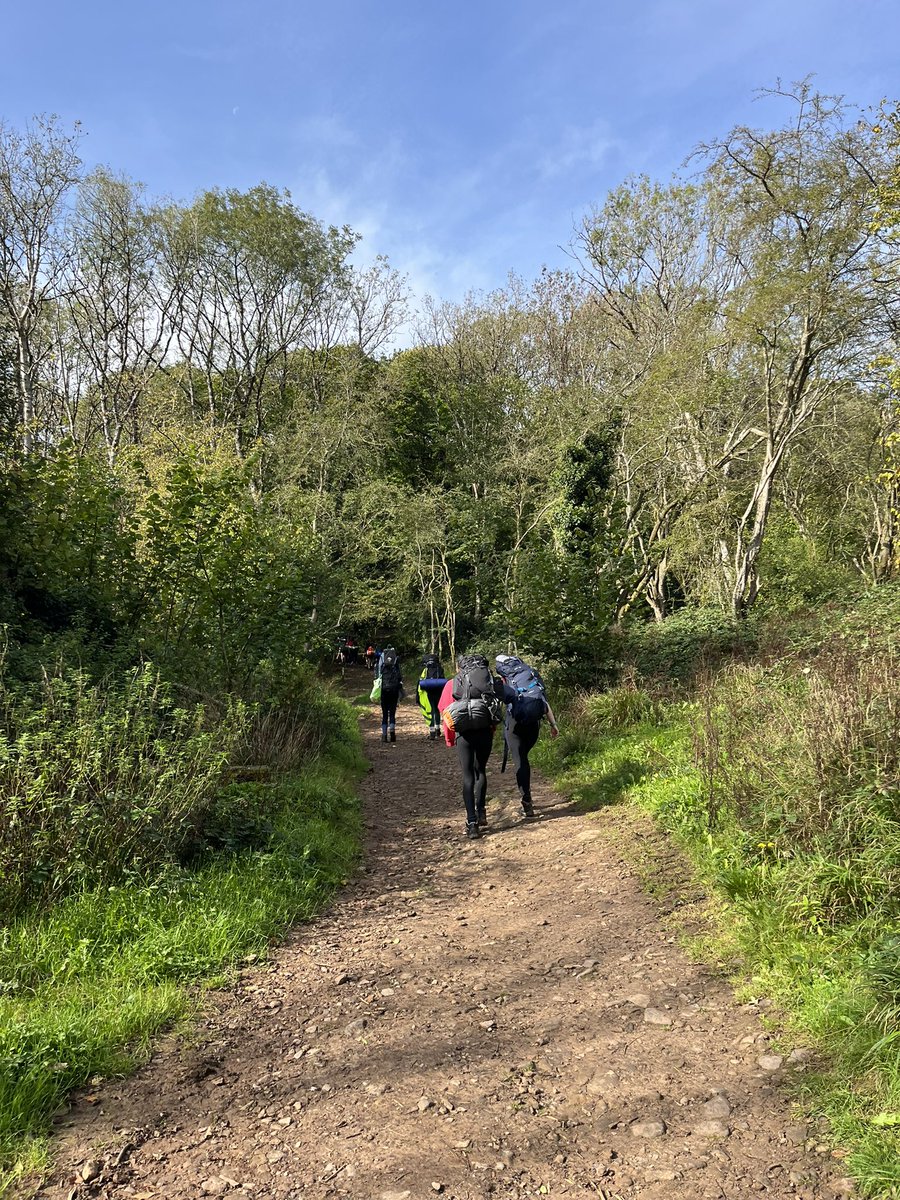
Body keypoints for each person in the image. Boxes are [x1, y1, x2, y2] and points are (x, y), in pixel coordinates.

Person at [438, 654, 502, 839]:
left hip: (463, 734)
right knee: (480, 770)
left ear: (460, 667)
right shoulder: (488, 680)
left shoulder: (452, 683)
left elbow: (445, 712)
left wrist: (450, 739)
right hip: (484, 731)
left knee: (467, 776)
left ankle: (471, 822)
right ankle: (481, 810)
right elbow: (496, 706)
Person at [495, 654, 559, 819]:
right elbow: (543, 701)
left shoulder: (503, 681)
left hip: (514, 725)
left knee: (520, 761)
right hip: (533, 725)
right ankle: (527, 801)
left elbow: (497, 704)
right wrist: (553, 725)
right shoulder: (531, 674)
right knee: (524, 758)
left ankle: (527, 802)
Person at [417, 652, 447, 740]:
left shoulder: (426, 670)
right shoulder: (440, 669)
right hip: (438, 691)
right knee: (437, 710)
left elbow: (420, 683)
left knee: (430, 710)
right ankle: (438, 730)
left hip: (429, 692)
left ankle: (432, 732)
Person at [377, 646, 403, 742]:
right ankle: (392, 731)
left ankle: (384, 735)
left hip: (384, 689)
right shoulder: (395, 658)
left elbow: (378, 673)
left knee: (384, 714)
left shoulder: (382, 658)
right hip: (394, 689)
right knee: (392, 712)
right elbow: (399, 675)